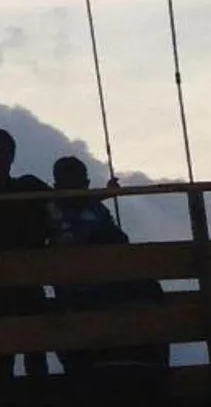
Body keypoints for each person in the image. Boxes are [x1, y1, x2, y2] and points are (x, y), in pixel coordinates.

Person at [46, 156, 166, 382]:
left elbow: (120, 242)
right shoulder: (50, 210)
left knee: (149, 289)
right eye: (67, 185)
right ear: (57, 187)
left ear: (86, 184)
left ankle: (146, 359)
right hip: (77, 290)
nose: (73, 191)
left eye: (78, 184)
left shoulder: (96, 209)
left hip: (108, 284)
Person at [0, 127, 52, 383]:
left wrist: (103, 195)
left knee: (35, 361)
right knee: (0, 368)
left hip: (27, 284)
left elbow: (67, 202)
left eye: (2, 153)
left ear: (12, 156)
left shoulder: (30, 186)